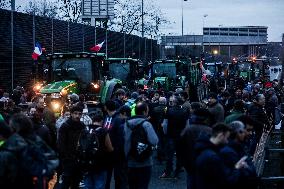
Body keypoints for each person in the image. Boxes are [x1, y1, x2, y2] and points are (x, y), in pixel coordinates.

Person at [194, 123, 249, 189]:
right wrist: (237, 167)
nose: (227, 141)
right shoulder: (213, 156)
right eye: (226, 138)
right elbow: (226, 181)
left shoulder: (203, 148)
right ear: (220, 135)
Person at [124, 102, 158, 189]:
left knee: (132, 186)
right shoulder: (146, 124)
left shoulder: (127, 124)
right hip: (145, 162)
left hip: (130, 161)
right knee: (143, 186)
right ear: (144, 112)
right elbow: (154, 141)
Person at [82, 114, 114, 189]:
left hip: (86, 162)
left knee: (88, 185)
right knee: (99, 185)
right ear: (101, 121)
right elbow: (110, 148)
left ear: (92, 121)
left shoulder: (85, 130)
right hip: (100, 163)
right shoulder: (103, 131)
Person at [160, 95, 188, 178]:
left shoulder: (168, 111)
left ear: (174, 102)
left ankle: (168, 171)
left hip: (170, 135)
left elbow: (165, 124)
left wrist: (165, 133)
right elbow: (187, 125)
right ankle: (177, 171)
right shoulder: (184, 111)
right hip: (181, 135)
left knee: (169, 155)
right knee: (180, 154)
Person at [58, 105, 85, 189]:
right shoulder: (65, 126)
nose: (77, 116)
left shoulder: (82, 125)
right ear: (71, 114)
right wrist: (66, 157)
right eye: (75, 113)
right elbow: (61, 144)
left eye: (79, 114)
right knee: (66, 182)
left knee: (76, 182)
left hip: (78, 159)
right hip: (68, 159)